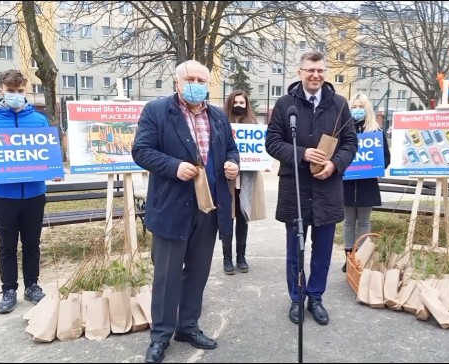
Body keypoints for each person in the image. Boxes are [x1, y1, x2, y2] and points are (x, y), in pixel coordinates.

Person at [132, 59, 240, 363]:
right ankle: (161, 336)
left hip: (208, 207)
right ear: (177, 82)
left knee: (198, 272)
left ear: (208, 84)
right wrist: (173, 166)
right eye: (190, 78)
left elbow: (230, 149)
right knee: (167, 275)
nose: (196, 84)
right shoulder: (157, 111)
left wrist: (233, 164)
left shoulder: (218, 116)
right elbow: (141, 150)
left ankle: (188, 326)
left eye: (202, 80)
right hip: (171, 206)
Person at [265, 51, 358, 326]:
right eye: (310, 70)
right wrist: (302, 153)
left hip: (328, 189)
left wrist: (336, 165)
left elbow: (351, 143)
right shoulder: (284, 105)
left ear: (325, 73)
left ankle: (315, 297)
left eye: (320, 70)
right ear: (300, 72)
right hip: (295, 188)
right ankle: (296, 298)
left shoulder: (339, 104)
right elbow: (272, 142)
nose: (315, 75)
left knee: (323, 249)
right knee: (296, 248)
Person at [0, 69, 60, 314]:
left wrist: (53, 168)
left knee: (32, 243)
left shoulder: (39, 120)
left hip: (34, 194)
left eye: (20, 91)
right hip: (4, 196)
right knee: (7, 245)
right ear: (1, 90)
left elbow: (47, 153)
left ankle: (32, 285)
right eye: (10, 91)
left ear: (26, 90)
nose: (15, 95)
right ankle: (8, 290)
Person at [341, 93, 391, 273]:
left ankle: (360, 257)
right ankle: (349, 257)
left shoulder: (376, 132)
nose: (357, 110)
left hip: (366, 184)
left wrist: (376, 168)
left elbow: (385, 157)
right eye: (354, 107)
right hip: (347, 184)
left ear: (367, 109)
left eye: (360, 107)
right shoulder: (343, 131)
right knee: (348, 222)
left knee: (364, 221)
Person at [220, 90, 266, 274]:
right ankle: (227, 258)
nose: (239, 105)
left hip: (247, 177)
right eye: (236, 102)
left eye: (242, 103)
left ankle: (241, 256)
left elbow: (262, 148)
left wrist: (264, 161)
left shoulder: (253, 124)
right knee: (227, 218)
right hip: (227, 176)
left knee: (242, 217)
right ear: (230, 104)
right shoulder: (221, 123)